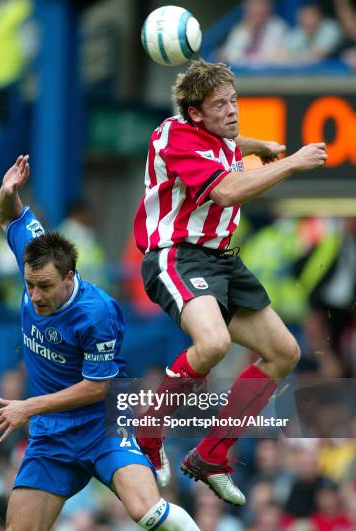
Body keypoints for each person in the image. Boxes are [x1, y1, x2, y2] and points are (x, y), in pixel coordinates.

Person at [0, 155, 262, 531]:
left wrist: (27, 407)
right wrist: (9, 190)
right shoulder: (35, 256)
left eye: (45, 287)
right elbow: (9, 217)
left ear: (70, 276)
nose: (36, 296)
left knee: (146, 511)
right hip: (52, 438)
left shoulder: (97, 314)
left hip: (101, 425)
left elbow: (96, 388)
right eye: (30, 285)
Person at [133, 59, 327, 505]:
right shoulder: (174, 137)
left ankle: (211, 455)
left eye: (234, 100)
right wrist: (293, 163)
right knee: (214, 343)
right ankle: (148, 429)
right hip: (176, 255)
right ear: (196, 113)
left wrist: (259, 144)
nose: (232, 110)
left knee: (284, 353)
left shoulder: (215, 132)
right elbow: (226, 190)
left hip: (219, 260)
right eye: (220, 105)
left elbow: (230, 144)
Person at [218, 0, 287, 66]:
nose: (257, 10)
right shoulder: (240, 28)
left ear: (268, 7)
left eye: (261, 5)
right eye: (253, 5)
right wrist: (250, 32)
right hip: (242, 74)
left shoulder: (278, 27)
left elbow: (270, 58)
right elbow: (232, 56)